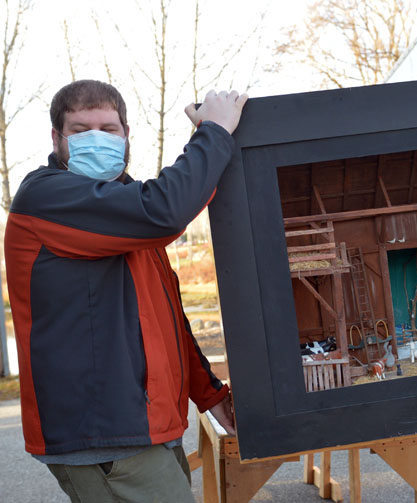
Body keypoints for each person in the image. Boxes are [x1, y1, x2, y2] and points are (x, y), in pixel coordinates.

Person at [4, 80, 247, 502]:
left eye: (109, 128)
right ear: (56, 138)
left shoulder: (122, 213)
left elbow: (166, 317)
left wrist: (210, 395)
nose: (97, 138)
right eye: (81, 130)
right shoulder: (46, 197)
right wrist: (215, 132)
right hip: (107, 435)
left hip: (145, 429)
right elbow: (166, 209)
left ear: (127, 134)